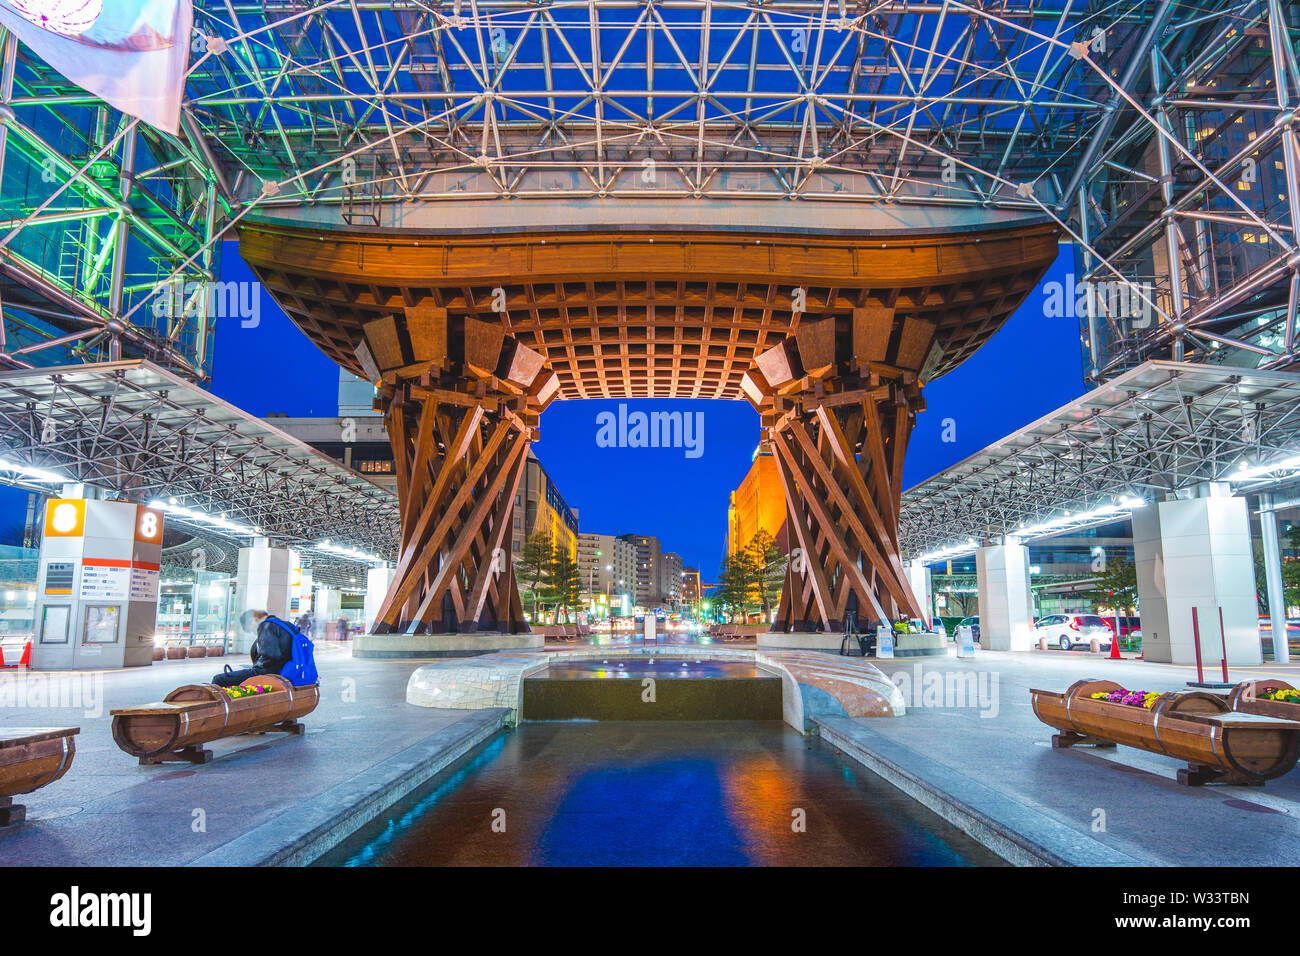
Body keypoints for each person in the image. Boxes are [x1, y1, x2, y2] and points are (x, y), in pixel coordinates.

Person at [212, 610, 294, 687]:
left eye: (250, 629)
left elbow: (271, 655)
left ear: (252, 619)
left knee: (219, 679)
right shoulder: (284, 625)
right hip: (286, 670)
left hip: (270, 673)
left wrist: (255, 667)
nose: (253, 632)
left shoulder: (266, 625)